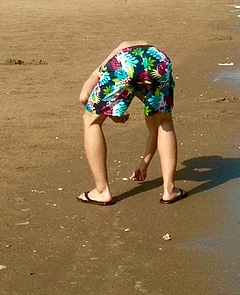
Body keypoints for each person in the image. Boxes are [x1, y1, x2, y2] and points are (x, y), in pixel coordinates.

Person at [76, 41, 187, 205]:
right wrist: (144, 164)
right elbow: (154, 131)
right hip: (157, 61)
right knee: (164, 121)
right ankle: (169, 190)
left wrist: (108, 113)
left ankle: (101, 191)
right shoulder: (144, 76)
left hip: (126, 62)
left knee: (91, 120)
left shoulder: (107, 65)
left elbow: (84, 97)